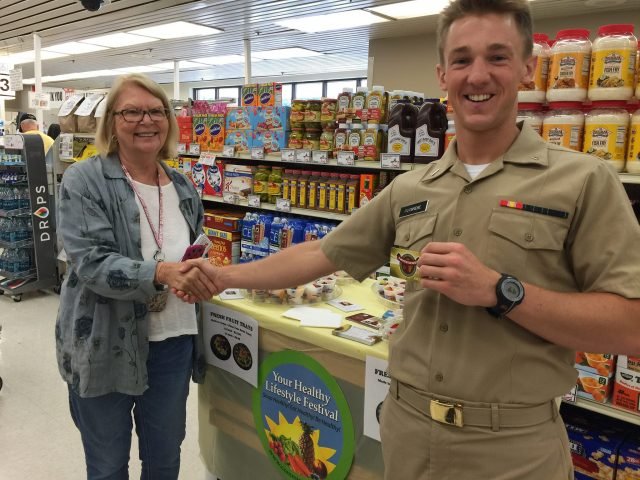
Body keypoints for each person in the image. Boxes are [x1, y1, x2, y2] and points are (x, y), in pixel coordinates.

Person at [176, 0, 640, 478]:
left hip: (513, 449)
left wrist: (501, 291)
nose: (477, 75)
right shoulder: (411, 187)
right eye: (462, 60)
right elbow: (322, 252)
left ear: (527, 69)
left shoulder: (583, 181)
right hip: (407, 430)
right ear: (442, 75)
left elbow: (629, 326)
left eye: (497, 57)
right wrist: (224, 274)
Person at [55, 73, 217, 480]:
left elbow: (192, 246)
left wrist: (199, 269)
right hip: (105, 342)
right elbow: (90, 262)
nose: (147, 120)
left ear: (168, 121)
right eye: (132, 111)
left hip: (173, 344)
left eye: (156, 111)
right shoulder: (84, 179)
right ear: (111, 122)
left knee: (164, 459)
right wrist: (161, 272)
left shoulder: (182, 185)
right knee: (108, 466)